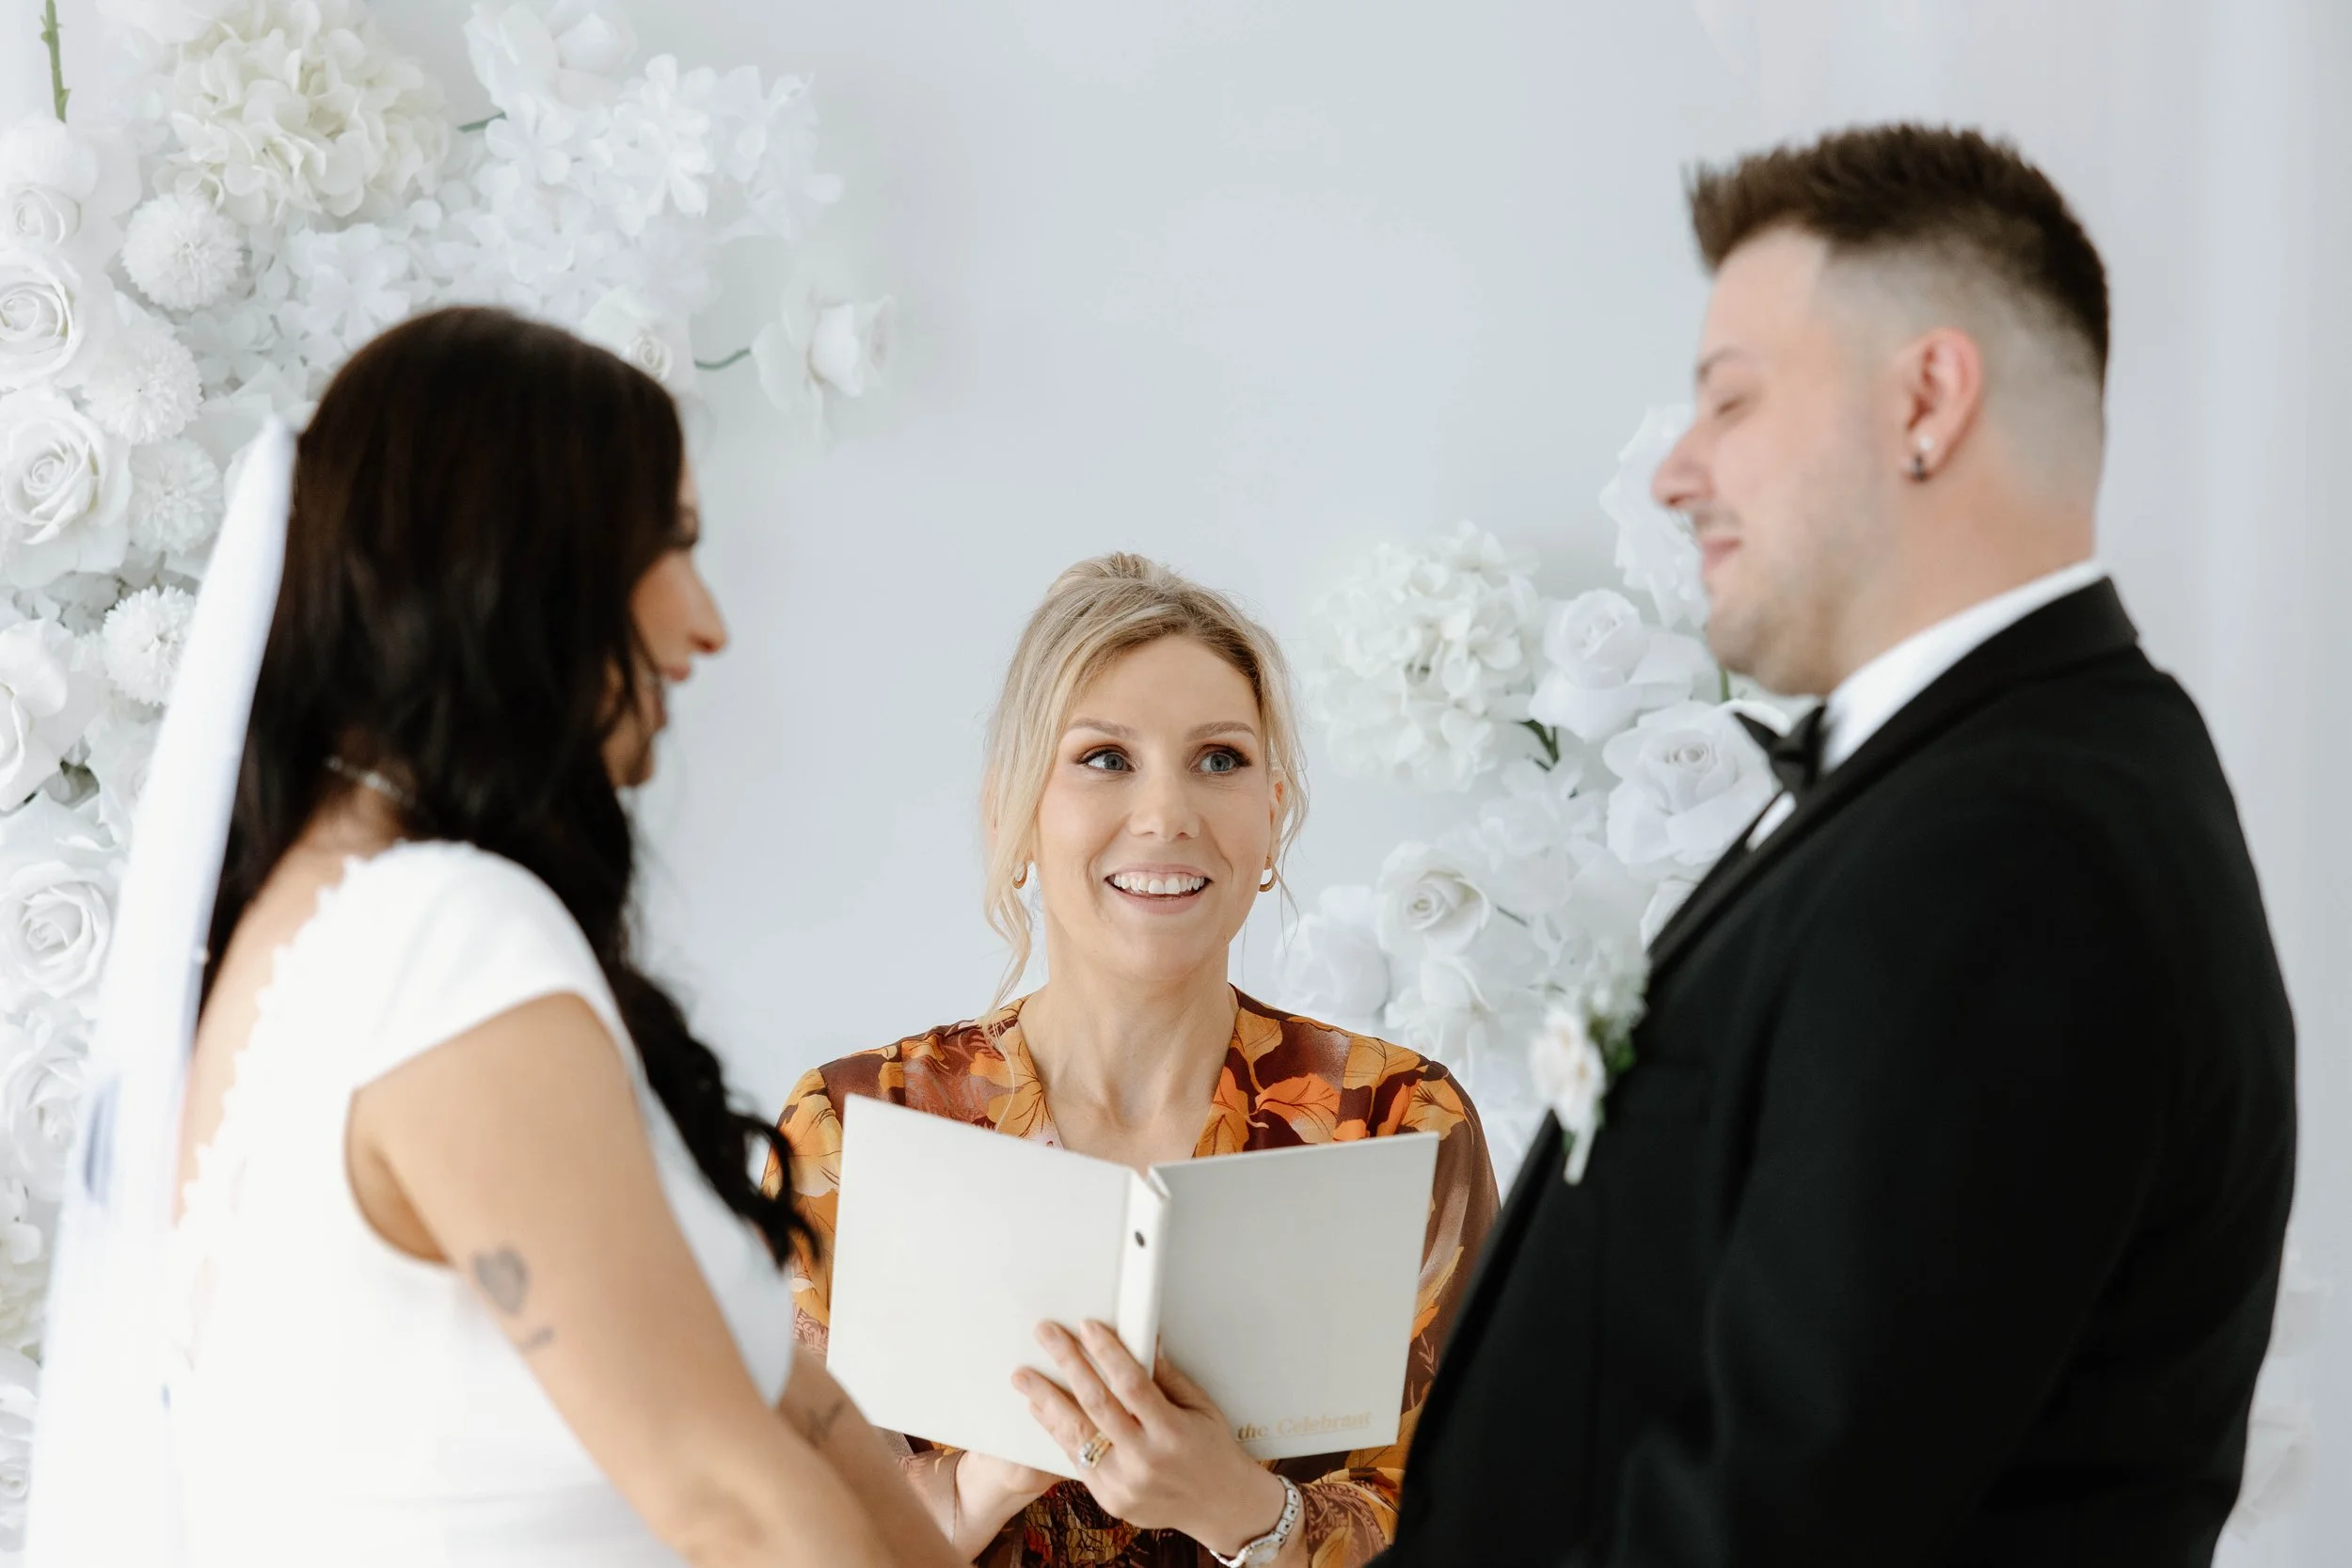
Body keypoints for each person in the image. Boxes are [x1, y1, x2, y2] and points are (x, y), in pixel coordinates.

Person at [1375, 125, 2296, 1566]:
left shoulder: (2012, 853)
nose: (1676, 470)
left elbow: (1780, 1517)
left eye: (1730, 400)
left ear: (1927, 398)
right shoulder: (1990, 786)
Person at [56, 308, 963, 1568]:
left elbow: (785, 1409)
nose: (708, 625)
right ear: (527, 563)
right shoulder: (436, 937)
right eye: (673, 545)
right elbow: (732, 1503)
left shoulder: (326, 926)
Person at [769, 554, 1501, 1567]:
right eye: (1105, 758)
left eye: (1219, 759)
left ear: (1273, 816)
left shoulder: (1397, 1118)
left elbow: (1482, 1521)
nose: (1166, 814)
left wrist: (1248, 1512)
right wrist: (985, 1478)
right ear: (1012, 813)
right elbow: (774, 1533)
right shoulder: (855, 1125)